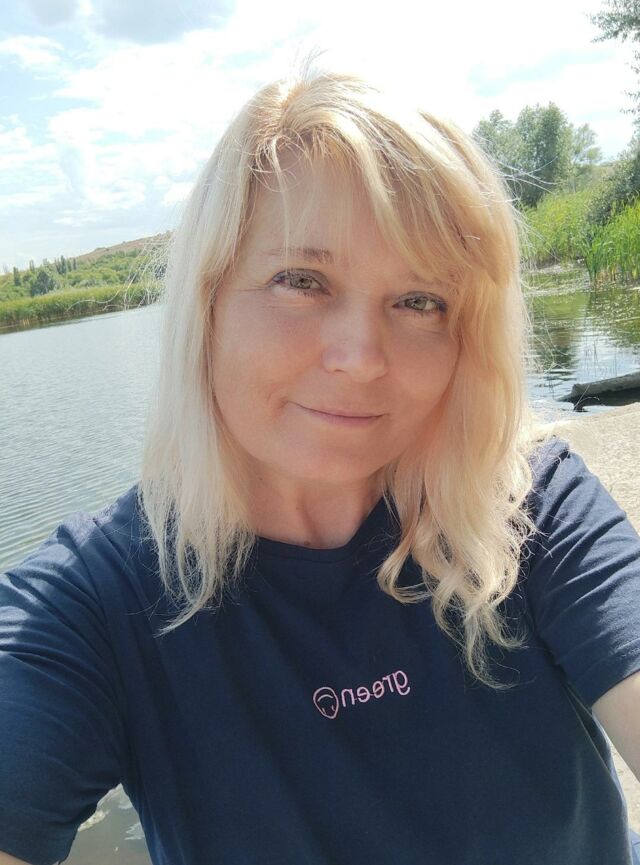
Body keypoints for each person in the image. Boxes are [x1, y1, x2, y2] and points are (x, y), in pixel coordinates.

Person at [1, 61, 640, 865]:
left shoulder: (525, 504)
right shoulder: (94, 605)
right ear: (207, 303)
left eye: (420, 300)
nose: (361, 356)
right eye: (301, 280)